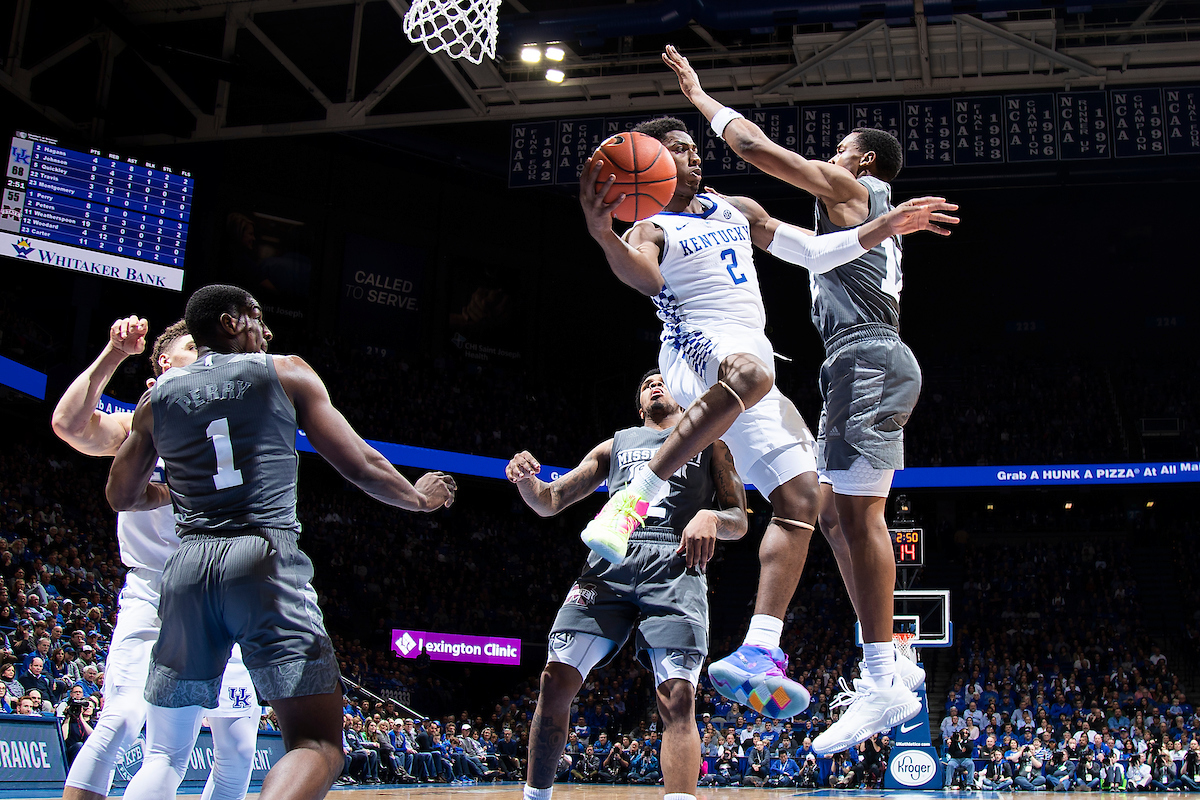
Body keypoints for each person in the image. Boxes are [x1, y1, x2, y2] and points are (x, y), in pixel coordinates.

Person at [577, 113, 956, 723]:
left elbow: (813, 252)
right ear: (650, 171)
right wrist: (605, 236)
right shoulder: (651, 226)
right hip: (694, 349)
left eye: (692, 150)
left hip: (752, 353)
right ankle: (634, 498)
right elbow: (643, 279)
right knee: (755, 377)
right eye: (673, 153)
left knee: (810, 502)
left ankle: (759, 650)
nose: (689, 159)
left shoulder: (737, 208)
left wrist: (879, 227)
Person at [664, 45, 957, 753]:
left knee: (855, 518)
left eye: (839, 150)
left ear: (859, 163)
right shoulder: (857, 222)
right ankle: (886, 666)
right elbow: (794, 243)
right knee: (830, 514)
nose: (829, 156)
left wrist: (702, 99)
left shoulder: (851, 189)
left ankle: (884, 675)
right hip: (854, 363)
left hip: (867, 361)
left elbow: (759, 149)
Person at [105, 284, 456, 800]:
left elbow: (120, 495)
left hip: (186, 573)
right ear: (228, 322)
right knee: (317, 744)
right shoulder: (284, 369)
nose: (267, 331)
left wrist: (176, 489)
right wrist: (419, 499)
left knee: (163, 756)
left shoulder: (158, 398)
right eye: (257, 318)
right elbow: (360, 464)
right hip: (261, 560)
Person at [52, 315, 266, 800]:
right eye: (195, 345)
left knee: (238, 742)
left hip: (219, 598)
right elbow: (68, 425)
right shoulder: (138, 423)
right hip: (154, 590)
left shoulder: (236, 427)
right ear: (165, 363)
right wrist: (114, 355)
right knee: (123, 720)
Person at [507, 369, 748, 800]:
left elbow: (739, 521)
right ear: (640, 405)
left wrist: (712, 516)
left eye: (663, 380)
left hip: (675, 561)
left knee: (677, 696)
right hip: (611, 557)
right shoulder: (613, 446)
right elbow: (550, 500)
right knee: (554, 679)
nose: (656, 385)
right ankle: (535, 796)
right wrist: (527, 481)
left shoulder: (712, 443)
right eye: (646, 384)